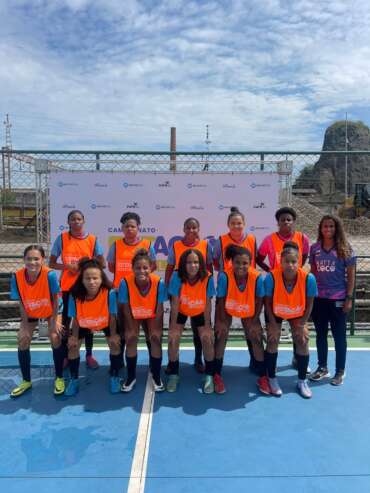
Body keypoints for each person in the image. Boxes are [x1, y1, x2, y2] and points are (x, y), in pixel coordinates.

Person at [256, 206, 310, 372]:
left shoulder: (303, 238)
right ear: (278, 223)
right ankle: (269, 368)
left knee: (299, 331)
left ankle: (297, 358)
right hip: (277, 290)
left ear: (293, 222)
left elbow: (305, 256)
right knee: (273, 333)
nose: (286, 222)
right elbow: (258, 258)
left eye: (289, 219)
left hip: (295, 290)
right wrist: (270, 271)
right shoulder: (269, 239)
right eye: (282, 220)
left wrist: (297, 272)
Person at [49, 209, 105, 369]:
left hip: (86, 287)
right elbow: (51, 263)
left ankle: (89, 355)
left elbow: (102, 263)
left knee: (87, 322)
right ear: (68, 222)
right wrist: (68, 266)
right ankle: (67, 355)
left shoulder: (93, 240)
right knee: (66, 321)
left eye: (79, 219)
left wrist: (89, 264)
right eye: (73, 219)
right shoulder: (62, 238)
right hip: (67, 287)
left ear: (83, 221)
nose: (76, 221)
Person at [264, 241, 317, 398]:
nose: (290, 265)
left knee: (302, 339)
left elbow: (309, 305)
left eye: (294, 262)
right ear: (281, 261)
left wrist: (302, 324)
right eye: (287, 261)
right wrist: (273, 324)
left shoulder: (308, 278)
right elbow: (267, 303)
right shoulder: (271, 277)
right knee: (273, 339)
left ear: (299, 262)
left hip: (297, 313)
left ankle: (302, 381)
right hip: (276, 312)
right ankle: (272, 378)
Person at [10, 245, 65, 397]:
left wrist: (54, 322)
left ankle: (59, 377)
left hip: (51, 310)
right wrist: (24, 325)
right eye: (29, 259)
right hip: (31, 311)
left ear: (42, 260)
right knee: (23, 338)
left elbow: (55, 300)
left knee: (55, 336)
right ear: (24, 260)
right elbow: (21, 302)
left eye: (36, 259)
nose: (32, 262)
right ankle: (26, 381)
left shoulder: (50, 275)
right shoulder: (17, 276)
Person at [214, 245, 268, 394]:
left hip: (249, 310)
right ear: (232, 262)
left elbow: (260, 300)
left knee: (256, 335)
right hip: (228, 308)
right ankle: (216, 374)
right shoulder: (225, 276)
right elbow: (220, 301)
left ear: (250, 263)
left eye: (245, 263)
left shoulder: (256, 277)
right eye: (237, 262)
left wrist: (255, 320)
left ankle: (263, 376)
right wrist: (220, 321)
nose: (241, 266)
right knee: (221, 333)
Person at [309, 215, 356, 386]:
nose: (328, 229)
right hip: (320, 299)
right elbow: (313, 274)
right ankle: (322, 367)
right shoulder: (314, 249)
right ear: (320, 229)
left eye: (331, 226)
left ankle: (340, 371)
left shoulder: (345, 248)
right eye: (325, 226)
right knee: (320, 335)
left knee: (339, 337)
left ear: (337, 228)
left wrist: (349, 298)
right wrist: (310, 297)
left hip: (338, 299)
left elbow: (351, 276)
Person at [65, 257, 121, 396]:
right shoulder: (74, 294)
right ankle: (74, 380)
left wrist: (113, 334)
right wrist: (74, 337)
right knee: (72, 346)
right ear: (81, 279)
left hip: (105, 322)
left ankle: (114, 377)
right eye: (87, 278)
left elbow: (113, 316)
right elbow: (76, 319)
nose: (91, 282)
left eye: (95, 278)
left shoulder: (110, 293)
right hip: (84, 322)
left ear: (101, 279)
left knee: (115, 344)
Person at [165, 217, 213, 373]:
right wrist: (168, 288)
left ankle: (198, 360)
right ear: (183, 229)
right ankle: (173, 367)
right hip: (181, 294)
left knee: (200, 333)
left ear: (198, 229)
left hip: (198, 296)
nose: (191, 230)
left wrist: (208, 292)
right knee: (174, 334)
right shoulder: (176, 246)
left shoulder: (206, 246)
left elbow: (209, 268)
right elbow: (170, 267)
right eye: (188, 227)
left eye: (194, 227)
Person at [107, 212, 156, 364]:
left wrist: (139, 280)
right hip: (121, 295)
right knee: (123, 331)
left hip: (142, 294)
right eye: (126, 226)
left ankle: (152, 361)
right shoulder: (116, 245)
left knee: (149, 331)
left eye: (133, 226)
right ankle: (119, 362)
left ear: (138, 228)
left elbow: (152, 265)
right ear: (122, 228)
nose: (130, 229)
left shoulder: (147, 245)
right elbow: (111, 267)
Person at [213, 206, 257, 371]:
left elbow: (253, 261)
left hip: (247, 290)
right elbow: (216, 261)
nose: (236, 226)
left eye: (239, 223)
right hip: (227, 290)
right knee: (222, 328)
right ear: (228, 225)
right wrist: (227, 273)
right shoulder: (221, 240)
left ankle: (255, 361)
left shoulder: (252, 239)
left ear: (244, 224)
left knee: (250, 328)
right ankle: (217, 366)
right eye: (233, 223)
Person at [167, 249, 216, 393]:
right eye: (189, 262)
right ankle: (174, 375)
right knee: (173, 338)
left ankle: (209, 376)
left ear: (201, 264)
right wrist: (174, 326)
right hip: (181, 310)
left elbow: (208, 304)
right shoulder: (177, 276)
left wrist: (207, 326)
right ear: (183, 264)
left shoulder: (207, 277)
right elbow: (175, 303)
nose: (192, 265)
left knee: (207, 338)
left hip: (199, 311)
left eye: (196, 262)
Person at [118, 249, 167, 392]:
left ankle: (156, 375)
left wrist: (155, 331)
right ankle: (131, 376)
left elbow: (159, 309)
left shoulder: (159, 282)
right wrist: (131, 329)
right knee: (131, 337)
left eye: (145, 267)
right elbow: (125, 308)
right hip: (133, 314)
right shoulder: (125, 282)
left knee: (156, 338)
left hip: (152, 314)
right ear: (132, 268)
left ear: (151, 267)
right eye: (138, 268)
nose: (142, 271)